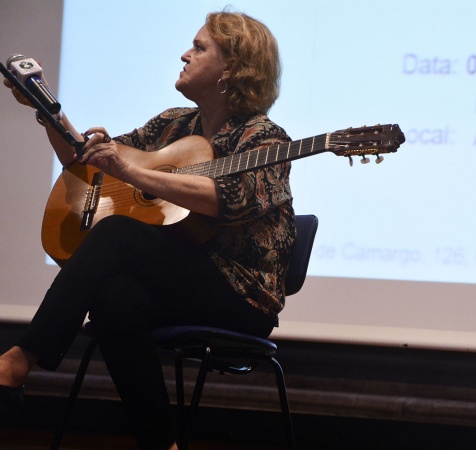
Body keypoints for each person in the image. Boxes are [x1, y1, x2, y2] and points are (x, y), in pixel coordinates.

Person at [0, 11, 295, 450]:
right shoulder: (175, 125)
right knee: (113, 296)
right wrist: (46, 111)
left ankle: (18, 361)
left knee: (118, 234)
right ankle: (162, 445)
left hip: (240, 295)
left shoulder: (265, 138)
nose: (185, 54)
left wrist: (135, 174)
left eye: (199, 47)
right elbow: (93, 166)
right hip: (178, 283)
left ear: (231, 67)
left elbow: (224, 199)